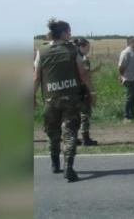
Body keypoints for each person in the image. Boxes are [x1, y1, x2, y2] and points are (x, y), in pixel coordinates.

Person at [33, 19, 97, 182]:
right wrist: (92, 91)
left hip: (50, 99)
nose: (71, 34)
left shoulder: (42, 51)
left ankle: (55, 163)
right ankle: (68, 168)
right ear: (62, 33)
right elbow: (83, 73)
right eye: (69, 31)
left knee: (52, 133)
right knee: (69, 134)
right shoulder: (72, 50)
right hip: (70, 99)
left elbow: (36, 77)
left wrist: (32, 95)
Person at [73, 38, 101, 146]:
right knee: (85, 113)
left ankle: (73, 138)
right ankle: (85, 138)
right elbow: (85, 75)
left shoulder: (71, 57)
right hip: (82, 89)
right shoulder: (83, 59)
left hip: (72, 89)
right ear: (81, 47)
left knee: (73, 115)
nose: (88, 50)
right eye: (87, 48)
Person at [118, 36, 134, 122]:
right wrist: (121, 76)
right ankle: (126, 116)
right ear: (130, 42)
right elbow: (121, 66)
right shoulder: (126, 52)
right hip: (129, 79)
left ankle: (132, 114)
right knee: (129, 97)